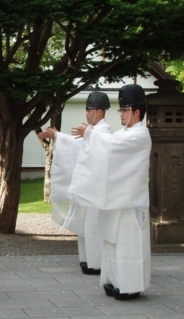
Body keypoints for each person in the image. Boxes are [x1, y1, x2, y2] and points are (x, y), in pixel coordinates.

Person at [68, 84, 152, 300]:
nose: (121, 115)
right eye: (121, 110)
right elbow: (108, 150)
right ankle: (114, 281)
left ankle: (130, 286)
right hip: (118, 197)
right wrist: (90, 135)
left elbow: (110, 146)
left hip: (129, 200)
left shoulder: (140, 135)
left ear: (137, 112)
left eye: (124, 110)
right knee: (112, 243)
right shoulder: (126, 133)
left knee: (128, 245)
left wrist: (90, 134)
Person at [38, 91, 111, 275]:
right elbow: (77, 145)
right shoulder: (93, 132)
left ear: (100, 112)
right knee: (86, 225)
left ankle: (97, 263)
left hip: (97, 189)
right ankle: (87, 260)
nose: (86, 113)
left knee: (95, 225)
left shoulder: (104, 132)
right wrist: (58, 136)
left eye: (89, 109)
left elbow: (103, 146)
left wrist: (87, 134)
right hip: (88, 188)